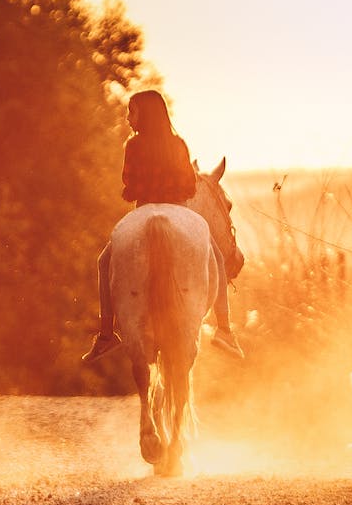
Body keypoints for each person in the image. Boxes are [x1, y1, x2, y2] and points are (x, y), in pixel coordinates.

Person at [81, 89, 243, 363]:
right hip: (178, 208)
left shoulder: (132, 146)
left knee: (103, 261)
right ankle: (225, 330)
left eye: (132, 112)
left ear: (145, 115)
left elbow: (129, 184)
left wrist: (140, 190)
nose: (128, 118)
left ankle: (106, 334)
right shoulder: (178, 144)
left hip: (143, 208)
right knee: (215, 256)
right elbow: (190, 186)